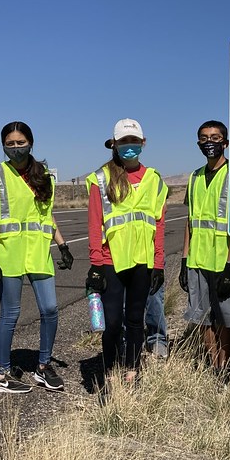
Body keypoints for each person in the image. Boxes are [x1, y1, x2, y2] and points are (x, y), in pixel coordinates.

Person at [0, 122, 72, 394]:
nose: (16, 148)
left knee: (50, 309)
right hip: (9, 255)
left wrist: (62, 244)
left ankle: (43, 367)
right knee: (10, 314)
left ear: (31, 142)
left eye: (21, 142)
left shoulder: (43, 176)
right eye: (10, 143)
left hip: (39, 253)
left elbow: (47, 215)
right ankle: (3, 373)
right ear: (3, 145)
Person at [85, 119, 168, 387]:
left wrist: (158, 264)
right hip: (111, 260)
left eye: (134, 141)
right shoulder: (102, 177)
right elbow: (95, 222)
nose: (129, 146)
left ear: (143, 143)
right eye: (124, 142)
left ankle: (132, 370)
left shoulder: (154, 180)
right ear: (115, 144)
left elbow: (159, 223)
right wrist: (96, 263)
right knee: (112, 322)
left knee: (135, 319)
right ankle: (109, 372)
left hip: (143, 260)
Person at [179, 120, 230, 377]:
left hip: (224, 260)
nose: (209, 143)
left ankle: (226, 367)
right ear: (198, 143)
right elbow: (191, 221)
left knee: (226, 318)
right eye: (204, 138)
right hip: (197, 260)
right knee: (203, 317)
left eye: (215, 138)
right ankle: (213, 364)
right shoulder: (194, 177)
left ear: (225, 143)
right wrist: (184, 259)